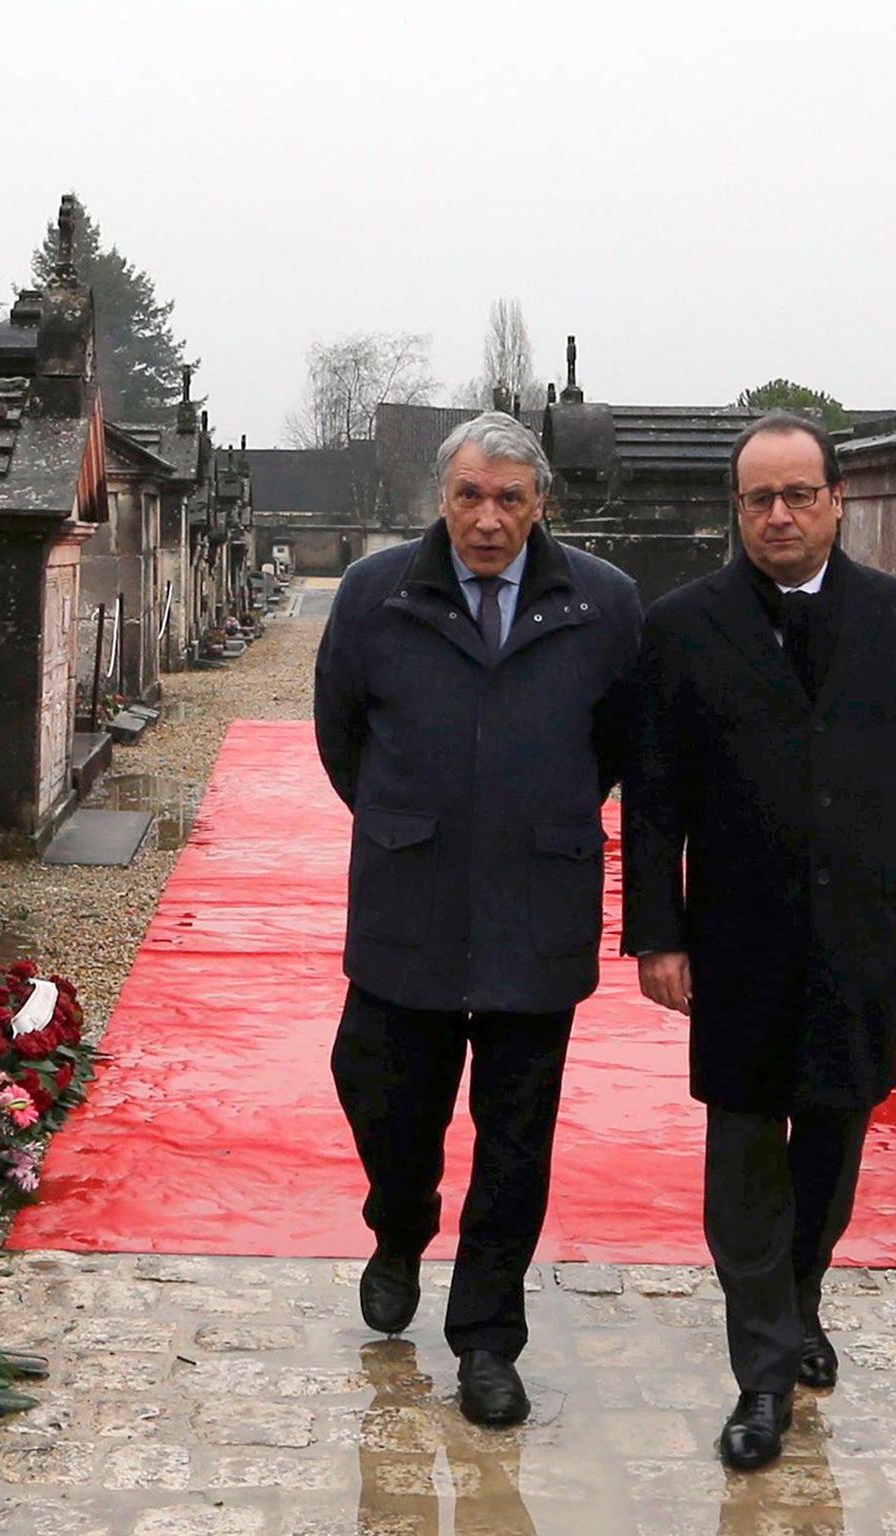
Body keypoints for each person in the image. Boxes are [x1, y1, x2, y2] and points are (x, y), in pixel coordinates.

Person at [622, 414, 896, 1471]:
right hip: (735, 932)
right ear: (734, 510)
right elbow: (652, 796)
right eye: (756, 499)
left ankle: (799, 1293)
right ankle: (761, 1370)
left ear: (832, 501)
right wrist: (656, 933)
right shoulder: (682, 625)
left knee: (829, 1137)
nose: (777, 515)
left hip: (856, 926)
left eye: (796, 496)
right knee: (741, 1150)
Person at [313, 410, 641, 1427]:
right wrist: (412, 818)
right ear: (441, 499)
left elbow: (618, 741)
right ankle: (399, 1222)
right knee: (378, 1091)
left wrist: (536, 815)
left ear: (540, 504)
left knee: (513, 1142)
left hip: (534, 913)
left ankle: (487, 1339)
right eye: (469, 496)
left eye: (509, 498)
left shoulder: (603, 603)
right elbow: (340, 737)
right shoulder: (376, 595)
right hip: (408, 902)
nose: (487, 519)